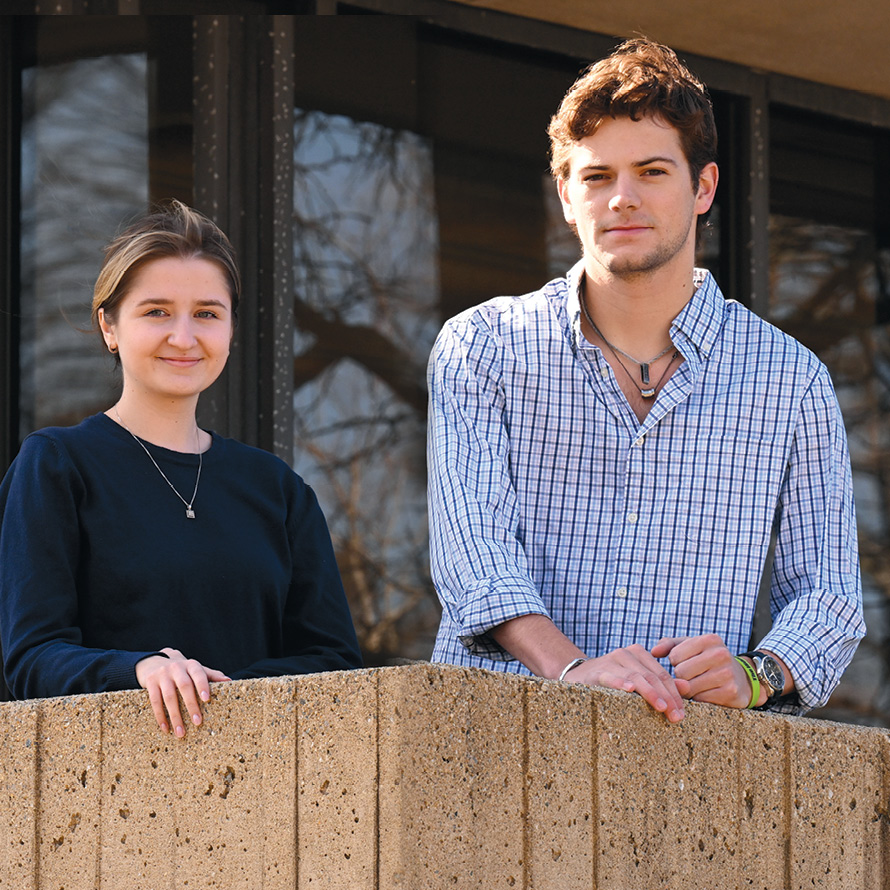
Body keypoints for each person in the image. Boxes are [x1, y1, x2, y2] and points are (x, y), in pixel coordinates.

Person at [427, 39, 864, 721]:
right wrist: (572, 668)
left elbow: (828, 595)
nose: (622, 198)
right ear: (567, 196)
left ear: (704, 188)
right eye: (596, 177)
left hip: (684, 763)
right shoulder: (484, 348)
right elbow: (473, 556)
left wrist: (757, 675)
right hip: (490, 745)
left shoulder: (790, 381)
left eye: (652, 171)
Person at [0, 200, 362, 736]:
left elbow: (333, 659)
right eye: (157, 311)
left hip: (266, 790)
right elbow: (31, 655)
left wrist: (221, 695)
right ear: (109, 327)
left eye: (208, 313)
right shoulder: (56, 465)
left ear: (231, 328)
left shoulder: (277, 489)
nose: (185, 337)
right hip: (103, 788)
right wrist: (140, 669)